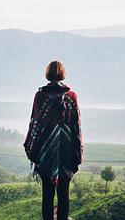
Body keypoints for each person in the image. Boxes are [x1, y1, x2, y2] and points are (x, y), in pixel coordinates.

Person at [23, 61, 83, 220]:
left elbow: (35, 123)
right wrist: (77, 153)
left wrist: (32, 148)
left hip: (45, 153)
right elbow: (76, 127)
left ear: (48, 74)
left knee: (47, 195)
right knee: (64, 195)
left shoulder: (40, 96)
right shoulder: (71, 97)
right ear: (63, 74)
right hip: (66, 152)